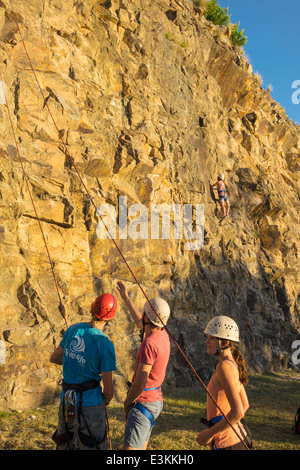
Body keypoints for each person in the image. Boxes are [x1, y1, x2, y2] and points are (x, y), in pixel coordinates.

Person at [50, 293, 118, 450]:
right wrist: (104, 402)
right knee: (92, 445)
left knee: (65, 442)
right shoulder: (105, 343)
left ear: (92, 309)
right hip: (91, 404)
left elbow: (54, 358)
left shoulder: (73, 330)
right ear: (110, 318)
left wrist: (73, 360)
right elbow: (108, 392)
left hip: (67, 400)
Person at [117, 280, 171, 450]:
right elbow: (140, 323)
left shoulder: (149, 344)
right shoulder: (161, 334)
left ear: (148, 317)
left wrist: (127, 403)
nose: (141, 315)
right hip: (154, 400)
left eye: (144, 312)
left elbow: (140, 384)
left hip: (143, 403)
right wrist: (126, 298)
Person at [196, 315, 250, 450]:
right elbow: (245, 405)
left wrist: (210, 433)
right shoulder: (232, 363)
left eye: (212, 338)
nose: (207, 341)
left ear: (224, 343)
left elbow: (238, 411)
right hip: (236, 439)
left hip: (228, 444)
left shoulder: (224, 367)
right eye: (207, 337)